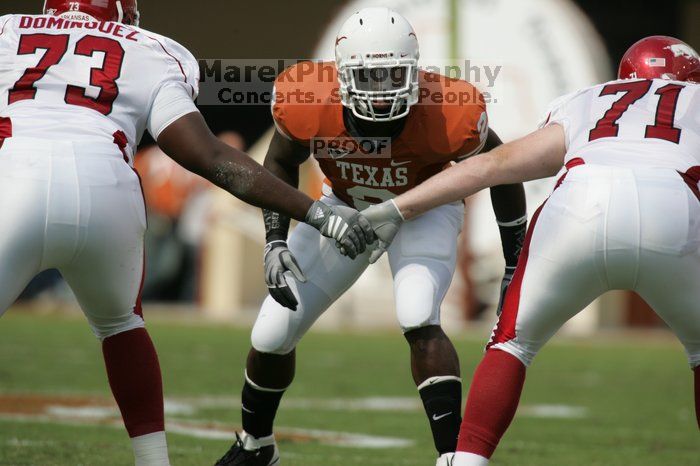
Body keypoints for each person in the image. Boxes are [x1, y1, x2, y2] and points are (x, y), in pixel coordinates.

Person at [0, 2, 373, 465]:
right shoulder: (149, 48)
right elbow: (206, 154)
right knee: (121, 326)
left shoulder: (9, 31)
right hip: (107, 186)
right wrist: (316, 212)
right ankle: (154, 461)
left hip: (14, 179)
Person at [363, 35, 700, 465]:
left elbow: (495, 165)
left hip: (579, 203)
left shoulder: (589, 99)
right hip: (673, 206)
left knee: (511, 345)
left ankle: (465, 461)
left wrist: (397, 207)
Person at [214, 7, 526, 466]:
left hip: (422, 208)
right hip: (344, 211)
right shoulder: (308, 98)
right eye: (369, 76)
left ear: (414, 70)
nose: (381, 90)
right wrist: (275, 239)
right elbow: (280, 161)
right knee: (271, 331)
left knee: (418, 313)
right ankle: (256, 445)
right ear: (341, 74)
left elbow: (503, 170)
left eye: (393, 74)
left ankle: (455, 458)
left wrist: (514, 261)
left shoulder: (447, 111)